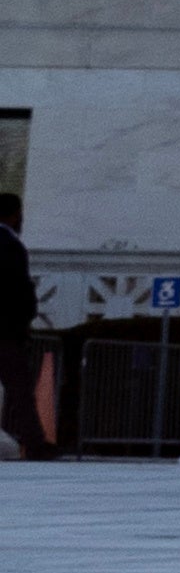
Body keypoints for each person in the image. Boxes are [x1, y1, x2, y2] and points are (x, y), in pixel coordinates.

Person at [1, 190, 48, 461]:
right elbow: (19, 289)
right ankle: (35, 443)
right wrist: (26, 319)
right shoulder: (10, 246)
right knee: (19, 391)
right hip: (6, 332)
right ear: (15, 214)